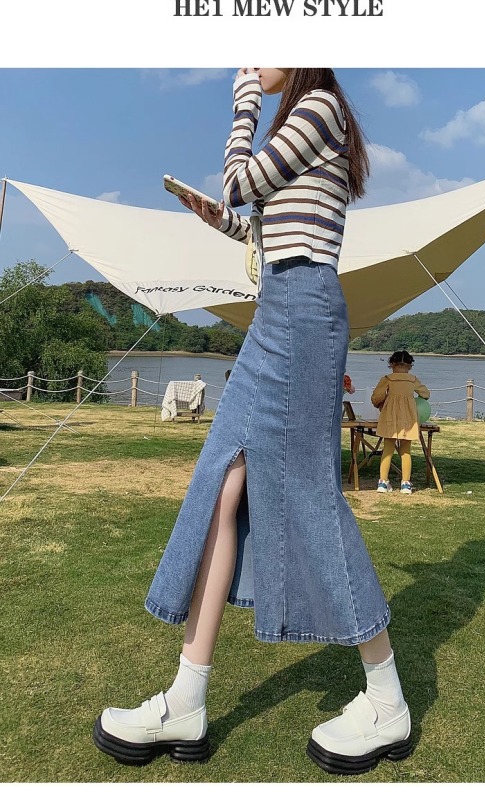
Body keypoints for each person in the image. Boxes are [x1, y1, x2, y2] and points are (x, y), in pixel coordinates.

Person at [93, 68, 412, 776]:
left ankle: (387, 700)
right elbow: (266, 224)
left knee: (306, 494)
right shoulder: (307, 117)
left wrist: (242, 104)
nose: (251, 60)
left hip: (301, 312)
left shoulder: (319, 107)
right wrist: (222, 222)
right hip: (280, 308)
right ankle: (186, 698)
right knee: (223, 480)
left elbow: (243, 181)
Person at [371, 350, 430, 494]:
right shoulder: (413, 380)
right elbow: (426, 394)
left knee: (387, 450)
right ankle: (405, 484)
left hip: (389, 416)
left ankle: (383, 482)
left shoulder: (387, 379)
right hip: (408, 418)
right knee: (405, 451)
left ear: (392, 364)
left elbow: (376, 397)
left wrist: (380, 403)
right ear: (409, 366)